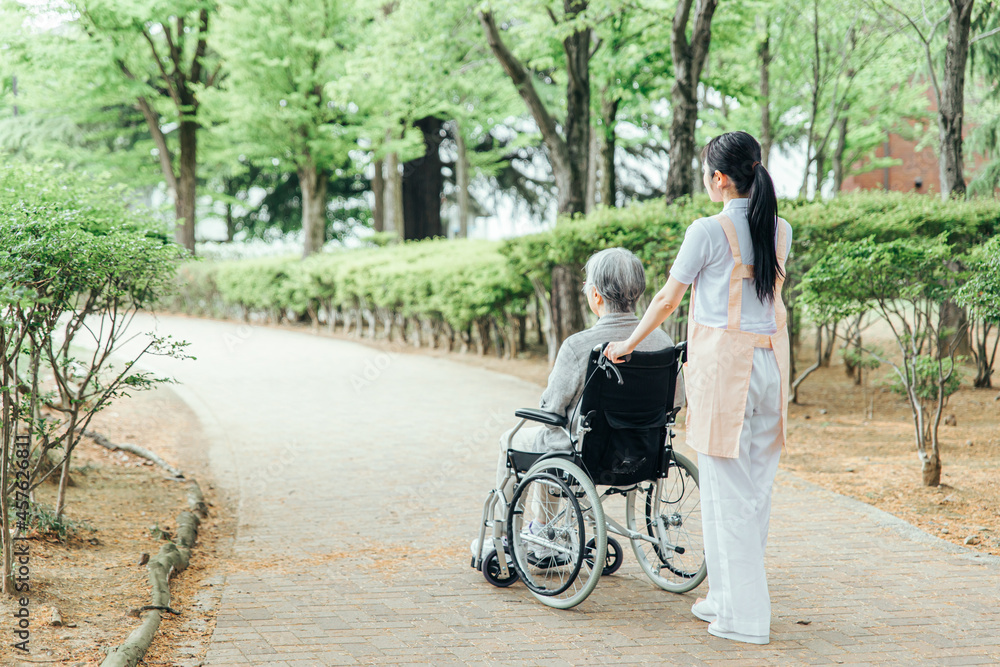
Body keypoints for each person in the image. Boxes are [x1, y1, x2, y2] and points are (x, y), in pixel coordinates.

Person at [604, 130, 792, 645]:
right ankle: (725, 599)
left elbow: (667, 299)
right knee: (753, 492)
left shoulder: (706, 231)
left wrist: (627, 344)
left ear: (719, 178)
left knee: (727, 495)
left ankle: (744, 619)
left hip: (726, 373)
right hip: (771, 367)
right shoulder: (780, 229)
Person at [473, 247, 684, 561]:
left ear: (596, 295)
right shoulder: (662, 341)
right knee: (551, 441)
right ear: (638, 291)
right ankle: (544, 531)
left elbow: (551, 410)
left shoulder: (578, 345)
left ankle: (518, 535)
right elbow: (676, 402)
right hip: (643, 453)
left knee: (518, 439)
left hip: (587, 454)